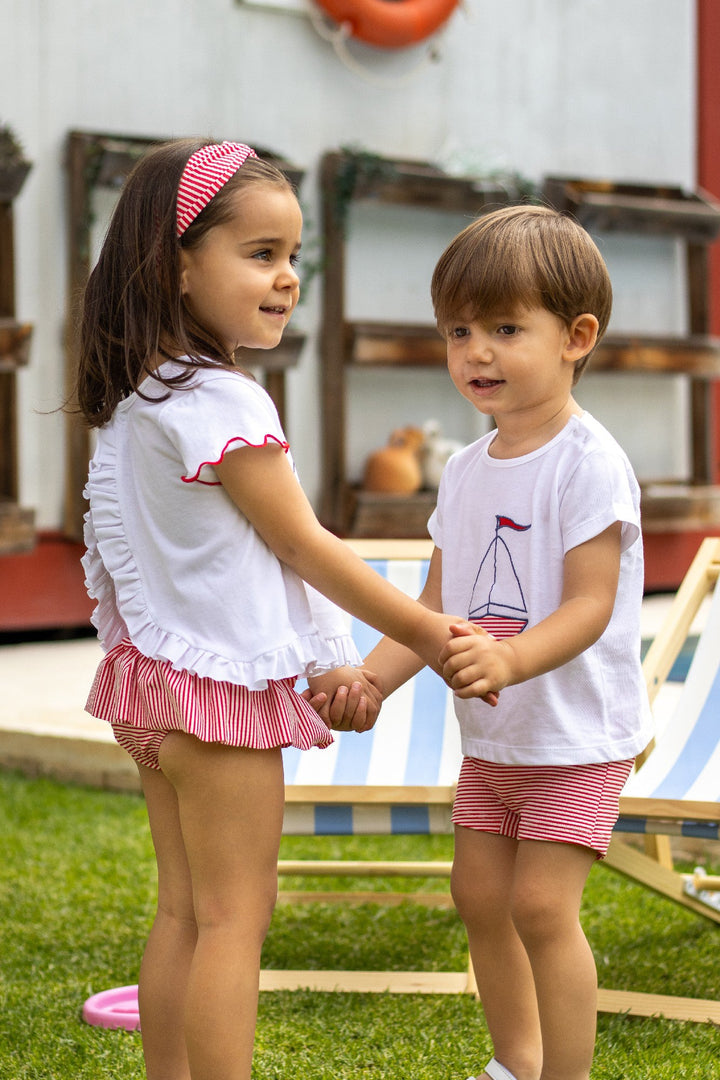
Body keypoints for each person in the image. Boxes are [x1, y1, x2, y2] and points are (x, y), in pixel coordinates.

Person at [75, 138, 480, 1080]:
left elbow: (249, 567)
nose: (287, 278)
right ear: (177, 264)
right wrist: (428, 631)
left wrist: (332, 658)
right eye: (260, 254)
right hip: (214, 704)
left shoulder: (139, 400)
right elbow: (304, 548)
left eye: (293, 257)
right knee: (232, 923)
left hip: (149, 691)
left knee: (183, 911)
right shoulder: (223, 400)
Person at [321, 205, 653, 1080]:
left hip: (577, 737)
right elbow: (436, 602)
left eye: (507, 328)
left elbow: (590, 606)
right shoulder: (465, 471)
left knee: (543, 908)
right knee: (479, 898)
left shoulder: (590, 462)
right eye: (459, 330)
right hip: (496, 742)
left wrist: (508, 657)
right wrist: (375, 678)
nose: (476, 352)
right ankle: (517, 1062)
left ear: (576, 336)